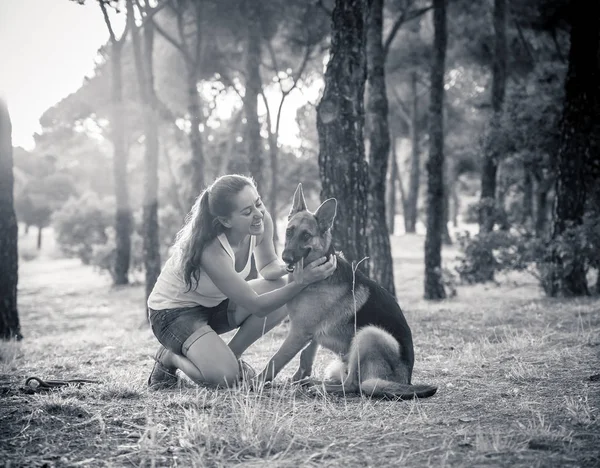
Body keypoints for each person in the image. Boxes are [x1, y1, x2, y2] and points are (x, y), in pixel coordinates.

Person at [147, 174, 336, 389]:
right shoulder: (211, 250)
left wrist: (292, 268)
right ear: (226, 221)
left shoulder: (261, 221)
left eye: (258, 203)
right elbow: (257, 306)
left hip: (214, 304)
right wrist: (302, 282)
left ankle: (231, 356)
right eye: (247, 212)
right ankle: (168, 357)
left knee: (282, 288)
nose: (258, 214)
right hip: (173, 315)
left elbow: (268, 267)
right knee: (224, 379)